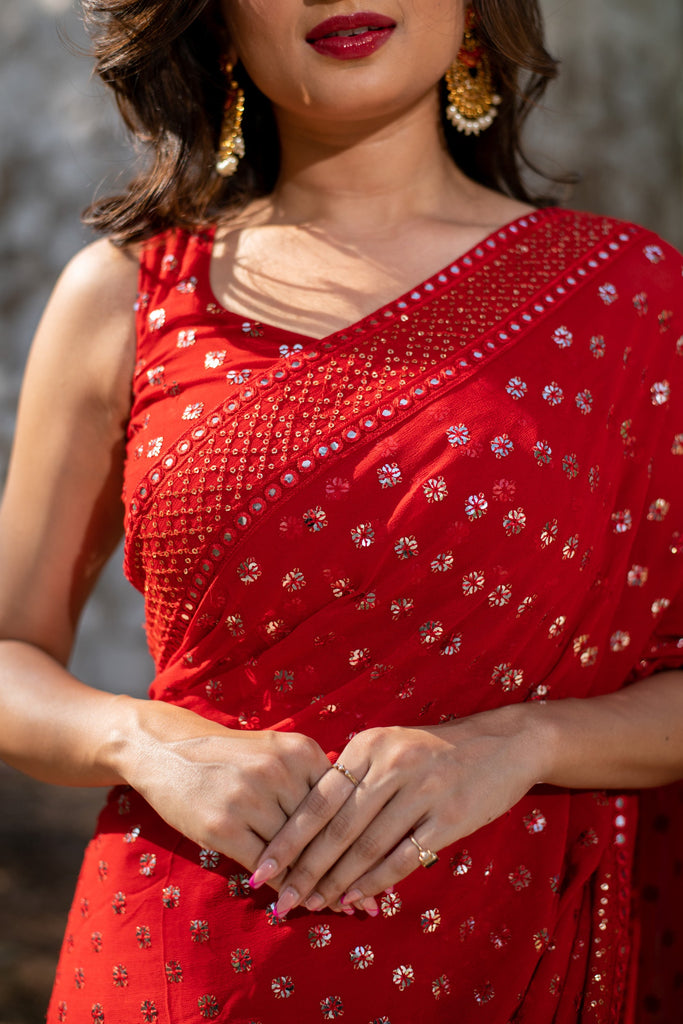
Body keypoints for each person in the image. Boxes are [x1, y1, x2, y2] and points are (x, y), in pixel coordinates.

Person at [0, 0, 681, 1021]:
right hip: (183, 954)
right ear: (220, 25)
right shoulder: (126, 294)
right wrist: (144, 742)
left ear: (471, 15)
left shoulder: (630, 297)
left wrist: (525, 741)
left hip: (513, 946)